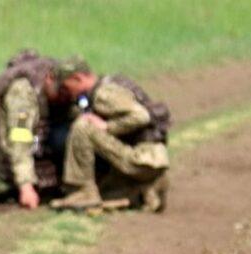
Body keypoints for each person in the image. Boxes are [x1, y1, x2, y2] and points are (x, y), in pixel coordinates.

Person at [51, 57, 171, 211]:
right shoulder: (111, 84)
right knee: (107, 194)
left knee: (83, 126)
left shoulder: (103, 94)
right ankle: (146, 189)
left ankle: (83, 192)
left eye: (66, 88)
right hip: (150, 158)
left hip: (142, 158)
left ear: (77, 78)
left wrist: (107, 126)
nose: (68, 94)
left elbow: (141, 116)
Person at [0, 49, 73, 209]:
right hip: (21, 154)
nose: (64, 98)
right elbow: (20, 138)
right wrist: (26, 186)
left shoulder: (57, 91)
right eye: (62, 92)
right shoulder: (22, 94)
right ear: (50, 79)